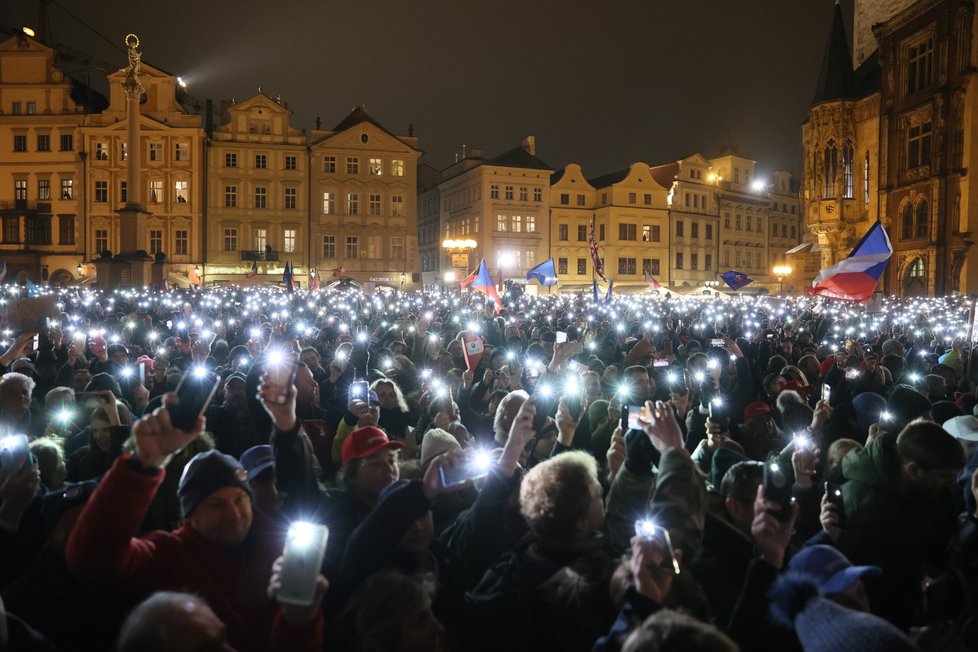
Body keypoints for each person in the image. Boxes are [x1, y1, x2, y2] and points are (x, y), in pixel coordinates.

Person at [65, 394, 323, 652]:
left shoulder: (284, 548)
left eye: (239, 499)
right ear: (189, 513)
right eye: (216, 505)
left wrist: (299, 621)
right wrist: (141, 465)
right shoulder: (168, 556)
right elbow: (92, 561)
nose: (233, 513)